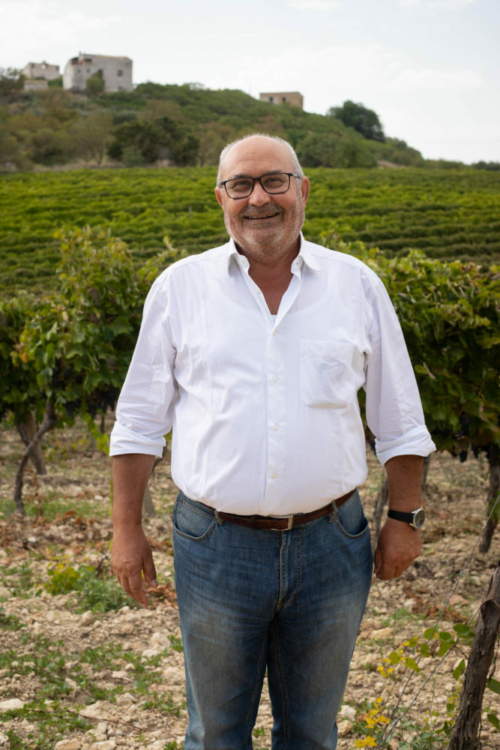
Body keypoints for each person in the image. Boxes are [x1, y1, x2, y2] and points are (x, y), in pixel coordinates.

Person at [110, 134, 436, 750]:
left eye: (274, 181)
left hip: (332, 544)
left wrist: (404, 517)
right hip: (214, 545)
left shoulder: (355, 285)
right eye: (241, 185)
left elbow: (398, 417)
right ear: (221, 199)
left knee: (312, 732)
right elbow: (138, 422)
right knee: (214, 733)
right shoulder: (179, 288)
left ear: (303, 190)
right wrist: (127, 528)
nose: (258, 198)